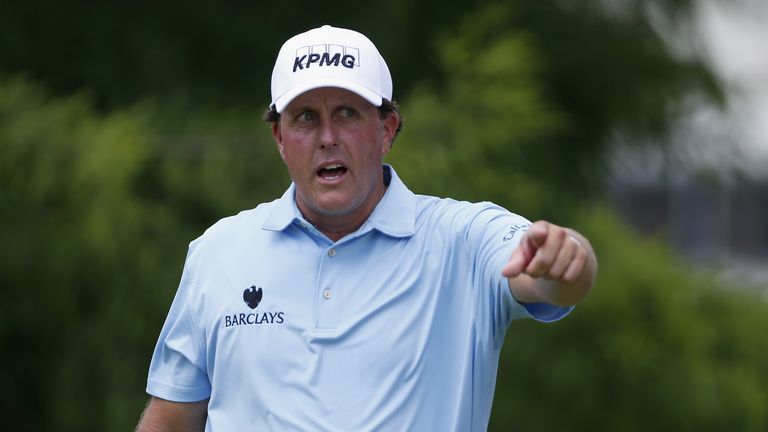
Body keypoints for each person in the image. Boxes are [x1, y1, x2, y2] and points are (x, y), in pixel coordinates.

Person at [137, 25, 597, 432]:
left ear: (387, 129)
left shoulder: (462, 238)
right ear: (280, 138)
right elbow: (172, 421)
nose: (327, 137)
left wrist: (568, 257)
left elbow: (545, 275)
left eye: (347, 113)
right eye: (305, 118)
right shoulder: (218, 252)